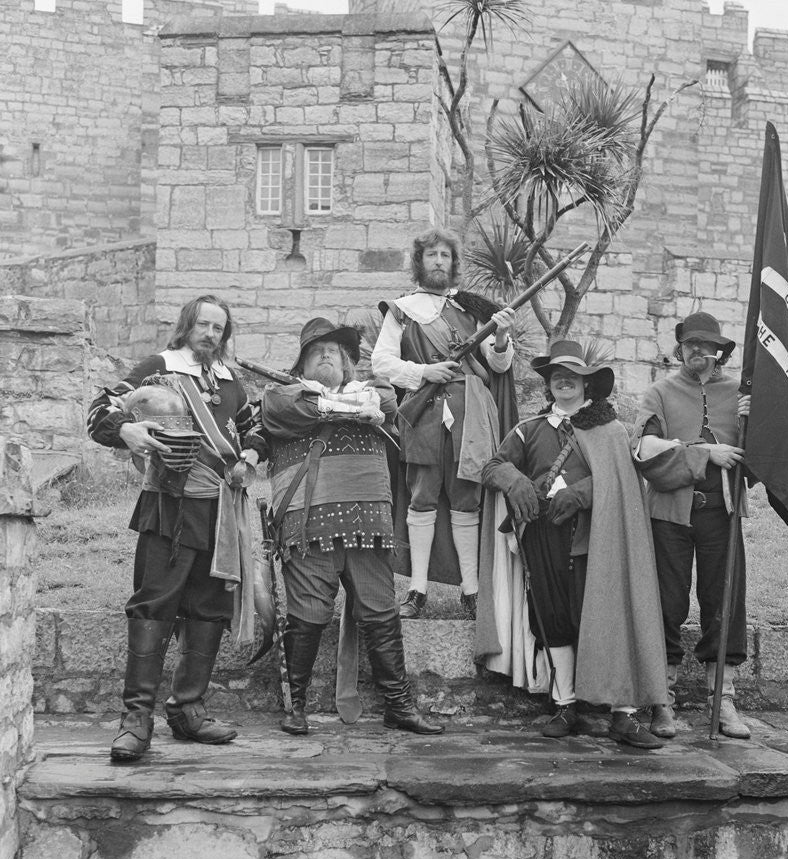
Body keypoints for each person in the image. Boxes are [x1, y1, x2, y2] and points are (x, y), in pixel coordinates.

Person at [87, 294, 266, 763]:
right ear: (187, 326)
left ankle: (188, 710)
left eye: (218, 329)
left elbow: (256, 428)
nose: (210, 335)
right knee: (154, 607)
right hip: (168, 506)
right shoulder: (158, 367)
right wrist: (126, 430)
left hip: (221, 511)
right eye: (203, 325)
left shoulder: (232, 382)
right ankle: (136, 719)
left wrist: (249, 454)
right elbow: (99, 409)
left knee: (208, 609)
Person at [478, 339, 672, 750]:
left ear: (587, 383)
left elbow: (621, 481)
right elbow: (493, 465)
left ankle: (623, 715)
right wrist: (515, 481)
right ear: (549, 384)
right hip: (544, 537)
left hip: (597, 540)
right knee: (554, 618)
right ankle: (566, 704)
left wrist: (582, 493)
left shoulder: (610, 431)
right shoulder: (528, 430)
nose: (563, 381)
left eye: (573, 375)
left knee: (608, 619)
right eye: (555, 376)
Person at [260, 317, 444, 737]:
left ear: (348, 365)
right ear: (301, 366)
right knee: (307, 616)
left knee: (381, 613)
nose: (326, 355)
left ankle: (399, 705)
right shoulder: (280, 396)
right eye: (316, 351)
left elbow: (386, 406)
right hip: (309, 525)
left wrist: (363, 406)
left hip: (368, 524)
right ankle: (297, 706)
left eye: (335, 352)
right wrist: (346, 408)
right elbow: (288, 410)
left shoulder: (376, 392)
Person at [371, 228, 517, 620]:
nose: (439, 261)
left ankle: (470, 590)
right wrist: (424, 371)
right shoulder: (401, 309)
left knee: (466, 497)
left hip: (471, 410)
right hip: (424, 410)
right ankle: (417, 588)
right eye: (432, 254)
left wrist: (501, 334)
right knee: (422, 495)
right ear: (420, 263)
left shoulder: (472, 309)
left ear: (454, 264)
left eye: (445, 256)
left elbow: (499, 364)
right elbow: (381, 362)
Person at [633, 310, 752, 739]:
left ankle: (723, 701)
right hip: (669, 511)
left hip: (723, 510)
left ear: (719, 351)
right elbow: (646, 450)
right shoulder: (660, 393)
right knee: (666, 601)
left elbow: (756, 460)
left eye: (706, 345)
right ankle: (661, 701)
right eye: (689, 345)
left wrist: (753, 422)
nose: (697, 351)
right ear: (679, 348)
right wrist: (704, 454)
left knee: (724, 601)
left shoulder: (740, 393)